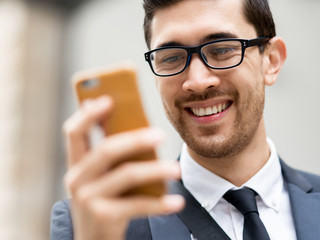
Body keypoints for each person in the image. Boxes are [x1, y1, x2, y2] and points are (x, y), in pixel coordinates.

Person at [50, 0, 320, 239]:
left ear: (271, 61)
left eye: (222, 49)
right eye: (172, 58)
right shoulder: (93, 227)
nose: (198, 82)